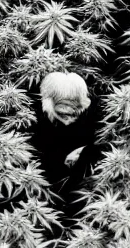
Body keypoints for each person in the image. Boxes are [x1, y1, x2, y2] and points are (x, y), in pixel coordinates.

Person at [33, 72, 99, 206]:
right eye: (62, 112)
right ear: (48, 104)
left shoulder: (92, 115)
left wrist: (85, 151)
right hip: (45, 194)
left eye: (74, 111)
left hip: (84, 192)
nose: (68, 119)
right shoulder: (37, 119)